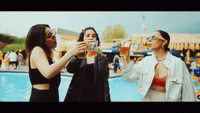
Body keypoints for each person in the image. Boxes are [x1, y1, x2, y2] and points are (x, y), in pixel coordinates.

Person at [119, 30, 196, 102]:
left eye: (153, 37)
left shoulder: (177, 63)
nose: (149, 40)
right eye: (148, 38)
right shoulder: (146, 61)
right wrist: (126, 57)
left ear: (164, 42)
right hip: (148, 98)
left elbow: (188, 89)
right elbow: (129, 77)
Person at [26, 24, 87, 102]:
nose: (54, 37)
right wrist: (70, 53)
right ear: (40, 40)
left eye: (53, 34)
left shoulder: (46, 54)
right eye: (49, 36)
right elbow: (48, 73)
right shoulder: (37, 50)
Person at [64, 27, 111, 102]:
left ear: (96, 39)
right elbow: (70, 69)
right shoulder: (78, 55)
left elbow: (105, 84)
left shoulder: (103, 59)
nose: (91, 38)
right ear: (83, 39)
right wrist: (79, 57)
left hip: (96, 97)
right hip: (77, 96)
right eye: (87, 35)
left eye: (93, 36)